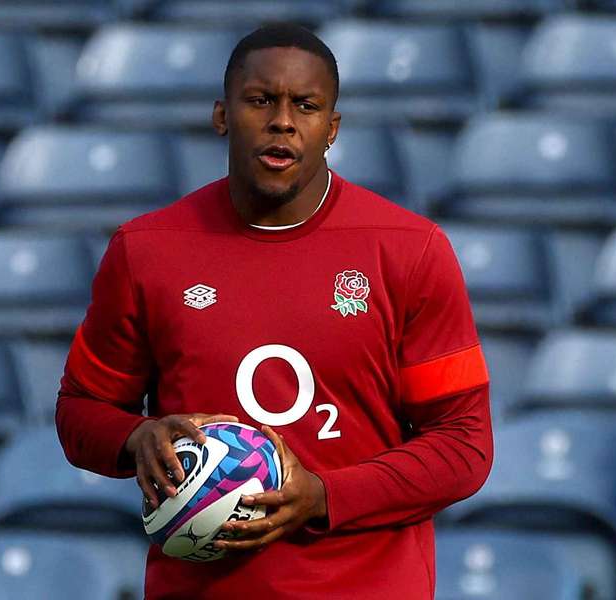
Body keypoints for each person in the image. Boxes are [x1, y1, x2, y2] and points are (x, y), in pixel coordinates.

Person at [56, 23, 492, 600]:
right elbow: (80, 410)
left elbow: (465, 445)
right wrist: (139, 439)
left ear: (331, 128)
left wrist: (323, 497)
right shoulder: (147, 251)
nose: (282, 120)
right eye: (261, 100)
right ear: (222, 115)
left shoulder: (409, 250)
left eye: (305, 106)